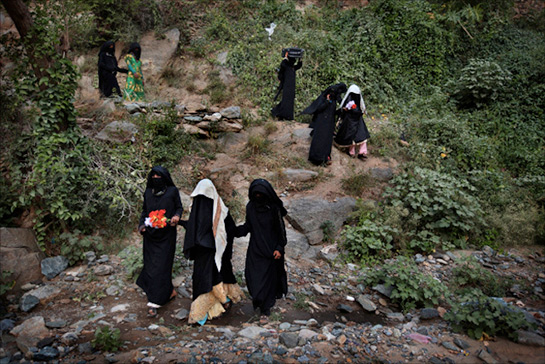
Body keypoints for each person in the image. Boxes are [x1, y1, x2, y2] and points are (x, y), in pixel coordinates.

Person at [182, 179, 245, 325]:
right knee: (204, 280)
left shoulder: (221, 211)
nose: (203, 201)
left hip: (216, 252)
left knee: (215, 278)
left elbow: (229, 230)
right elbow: (194, 227)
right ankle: (207, 311)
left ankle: (219, 305)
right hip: (203, 252)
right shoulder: (200, 208)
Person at [238, 179, 288, 323]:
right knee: (253, 278)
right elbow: (249, 226)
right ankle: (258, 302)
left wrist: (279, 247)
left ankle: (265, 309)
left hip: (271, 252)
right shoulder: (251, 207)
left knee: (268, 282)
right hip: (255, 250)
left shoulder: (273, 208)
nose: (258, 197)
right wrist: (233, 231)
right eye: (256, 194)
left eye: (261, 194)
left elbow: (281, 231)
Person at [137, 166, 183, 318]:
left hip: (167, 235)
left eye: (159, 176)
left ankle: (154, 302)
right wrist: (142, 226)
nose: (156, 178)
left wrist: (176, 216)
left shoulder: (172, 191)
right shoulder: (148, 193)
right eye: (154, 176)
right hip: (150, 235)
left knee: (162, 266)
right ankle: (168, 291)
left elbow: (179, 207)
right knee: (150, 266)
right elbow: (144, 211)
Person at [302, 83, 347, 165]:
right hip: (321, 124)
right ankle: (316, 158)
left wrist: (342, 110)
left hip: (329, 124)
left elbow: (333, 113)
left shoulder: (333, 101)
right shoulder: (323, 99)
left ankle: (325, 158)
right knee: (319, 140)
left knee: (327, 141)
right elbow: (318, 109)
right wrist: (327, 102)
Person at [334, 84, 370, 158]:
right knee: (355, 136)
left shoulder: (351, 97)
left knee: (359, 136)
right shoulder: (353, 98)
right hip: (352, 120)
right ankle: (354, 152)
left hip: (354, 120)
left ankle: (359, 152)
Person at [271, 51, 302, 121]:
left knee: (290, 101)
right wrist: (285, 57)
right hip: (286, 87)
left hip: (291, 87)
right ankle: (280, 114)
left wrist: (300, 58)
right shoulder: (286, 67)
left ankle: (288, 116)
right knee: (285, 101)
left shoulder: (292, 68)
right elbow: (282, 64)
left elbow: (299, 65)